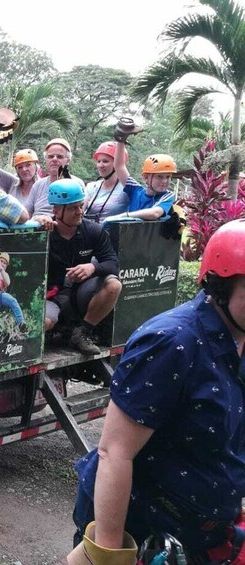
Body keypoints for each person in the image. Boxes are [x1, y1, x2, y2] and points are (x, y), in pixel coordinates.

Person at [68, 219, 245, 565]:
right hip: (142, 528)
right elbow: (114, 452)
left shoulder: (239, 342)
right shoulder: (172, 343)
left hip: (199, 533)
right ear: (221, 286)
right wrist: (109, 552)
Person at [44, 179, 122, 354]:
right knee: (45, 323)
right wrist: (36, 220)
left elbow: (113, 264)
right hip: (50, 295)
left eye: (81, 206)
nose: (79, 212)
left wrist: (92, 268)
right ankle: (55, 331)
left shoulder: (94, 230)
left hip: (79, 294)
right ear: (56, 210)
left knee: (114, 284)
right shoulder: (45, 231)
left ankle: (82, 332)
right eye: (73, 208)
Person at [104, 139, 178, 221]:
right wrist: (121, 140)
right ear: (145, 177)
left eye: (168, 177)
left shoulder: (167, 196)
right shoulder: (135, 190)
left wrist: (125, 215)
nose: (164, 181)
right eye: (159, 177)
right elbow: (119, 166)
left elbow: (155, 213)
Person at [0, 143, 53, 226]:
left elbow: (43, 214)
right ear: (16, 170)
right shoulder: (12, 183)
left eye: (28, 165)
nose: (24, 169)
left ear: (36, 166)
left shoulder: (43, 187)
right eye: (20, 167)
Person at [27, 138, 85, 223]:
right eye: (50, 156)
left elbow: (79, 214)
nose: (54, 159)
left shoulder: (77, 184)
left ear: (68, 160)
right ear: (46, 160)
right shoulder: (38, 185)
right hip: (37, 229)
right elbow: (27, 213)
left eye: (60, 157)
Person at [83, 141, 130, 223]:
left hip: (114, 233)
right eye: (98, 161)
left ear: (117, 163)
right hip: (91, 232)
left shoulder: (126, 188)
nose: (100, 165)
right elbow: (80, 208)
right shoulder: (91, 187)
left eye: (105, 161)